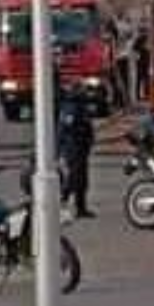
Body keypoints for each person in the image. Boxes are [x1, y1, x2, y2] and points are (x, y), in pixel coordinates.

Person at [57, 86, 96, 218]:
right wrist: (60, 150)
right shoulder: (71, 108)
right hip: (73, 147)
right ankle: (62, 201)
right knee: (74, 178)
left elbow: (87, 126)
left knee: (82, 180)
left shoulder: (81, 107)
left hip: (81, 147)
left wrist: (89, 140)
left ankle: (81, 208)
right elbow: (65, 128)